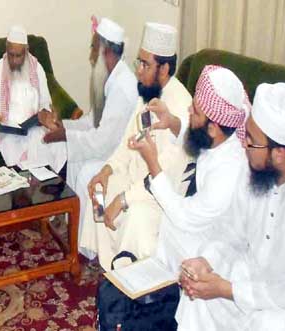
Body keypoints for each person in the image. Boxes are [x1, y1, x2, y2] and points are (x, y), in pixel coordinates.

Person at [177, 82, 285, 331]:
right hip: (252, 280)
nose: (244, 144)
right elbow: (231, 232)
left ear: (279, 154)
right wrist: (206, 261)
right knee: (199, 293)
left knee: (268, 324)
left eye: (251, 140)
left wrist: (228, 289)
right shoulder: (257, 169)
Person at [81, 22, 192, 268]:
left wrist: (123, 199)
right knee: (98, 191)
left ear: (164, 68)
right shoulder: (148, 94)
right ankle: (108, 266)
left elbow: (165, 177)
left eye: (145, 64)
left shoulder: (181, 107)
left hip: (159, 197)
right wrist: (106, 171)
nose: (138, 71)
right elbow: (126, 144)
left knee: (134, 217)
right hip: (133, 180)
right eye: (138, 63)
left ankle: (129, 276)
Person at [129, 64, 250, 272]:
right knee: (154, 221)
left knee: (166, 226)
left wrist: (153, 164)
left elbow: (184, 217)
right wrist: (172, 121)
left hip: (220, 246)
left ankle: (163, 290)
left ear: (213, 128)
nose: (188, 111)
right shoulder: (220, 135)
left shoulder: (229, 171)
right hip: (201, 220)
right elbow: (196, 133)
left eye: (194, 110)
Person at [43, 17, 137, 220]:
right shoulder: (111, 78)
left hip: (121, 155)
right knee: (76, 159)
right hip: (107, 147)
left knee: (86, 171)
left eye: (94, 48)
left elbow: (104, 141)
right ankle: (77, 229)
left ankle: (89, 243)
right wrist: (64, 127)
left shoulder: (122, 87)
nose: (91, 55)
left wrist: (65, 136)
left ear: (107, 51)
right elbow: (92, 121)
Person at [0, 25, 66, 172]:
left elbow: (45, 101)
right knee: (11, 150)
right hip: (8, 131)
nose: (14, 60)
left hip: (33, 128)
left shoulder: (36, 68)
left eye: (18, 55)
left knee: (56, 145)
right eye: (11, 55)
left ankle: (46, 187)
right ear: (6, 50)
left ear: (26, 51)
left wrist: (44, 115)